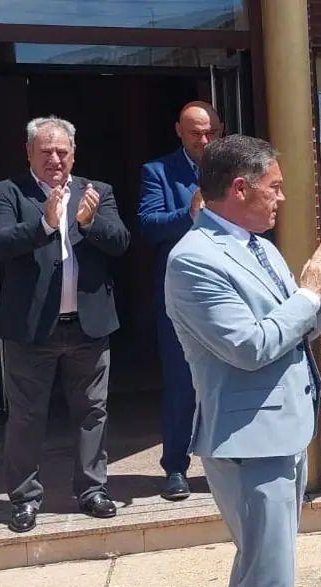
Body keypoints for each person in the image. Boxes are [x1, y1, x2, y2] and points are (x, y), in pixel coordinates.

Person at [165, 134, 321, 587]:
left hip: (281, 425)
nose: (282, 196)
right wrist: (308, 291)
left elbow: (297, 325)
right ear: (239, 188)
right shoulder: (194, 259)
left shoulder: (259, 247)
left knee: (258, 554)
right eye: (273, 185)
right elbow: (250, 347)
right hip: (246, 439)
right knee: (272, 566)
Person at [0, 116, 130, 533]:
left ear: (73, 153)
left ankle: (92, 490)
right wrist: (46, 223)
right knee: (27, 417)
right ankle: (25, 499)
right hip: (32, 330)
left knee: (92, 412)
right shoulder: (6, 193)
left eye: (62, 151)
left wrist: (88, 222)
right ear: (28, 151)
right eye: (45, 151)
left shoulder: (97, 192)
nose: (54, 159)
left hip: (88, 325)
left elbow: (120, 242)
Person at [138, 101, 223, 501]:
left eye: (209, 132)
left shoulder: (231, 168)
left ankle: (226, 463)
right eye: (195, 133)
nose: (204, 140)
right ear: (178, 130)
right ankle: (175, 466)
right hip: (178, 298)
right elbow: (148, 226)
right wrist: (187, 214)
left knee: (227, 381)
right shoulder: (157, 172)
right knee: (181, 385)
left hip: (226, 294)